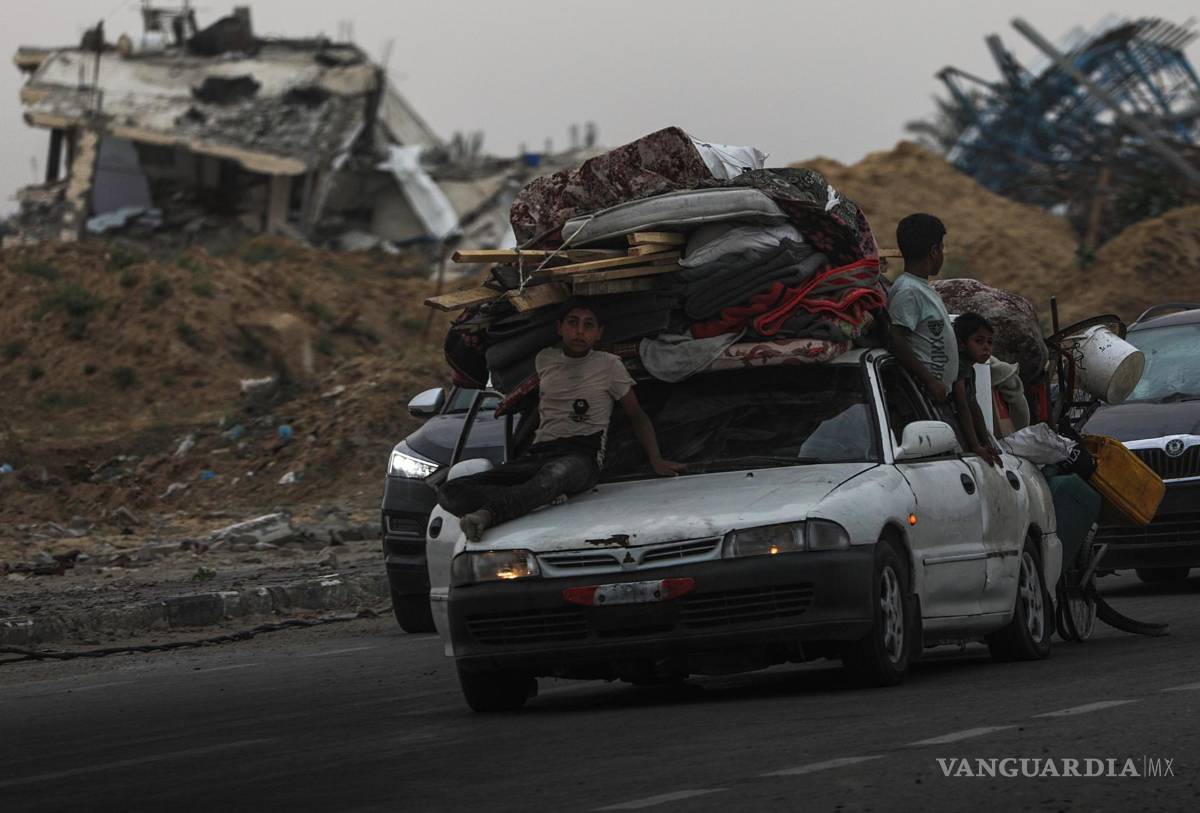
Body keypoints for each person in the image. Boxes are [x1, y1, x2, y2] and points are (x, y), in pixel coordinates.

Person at [439, 297, 686, 541]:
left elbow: (637, 415)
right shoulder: (544, 359)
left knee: (555, 475)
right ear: (559, 328)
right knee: (450, 491)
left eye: (588, 325)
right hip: (538, 454)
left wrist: (656, 460)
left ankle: (488, 515)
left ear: (599, 333)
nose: (579, 331)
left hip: (582, 457)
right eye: (573, 322)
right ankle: (535, 497)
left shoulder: (610, 365)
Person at [887, 213, 957, 404]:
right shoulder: (909, 291)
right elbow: (896, 339)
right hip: (922, 397)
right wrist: (930, 381)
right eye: (942, 248)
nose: (942, 253)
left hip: (935, 397)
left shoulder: (920, 288)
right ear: (934, 251)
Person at [952, 312, 1001, 466]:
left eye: (990, 342)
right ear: (961, 344)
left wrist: (986, 443)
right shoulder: (958, 366)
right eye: (979, 341)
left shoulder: (970, 370)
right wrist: (975, 446)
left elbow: (973, 405)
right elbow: (962, 406)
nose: (986, 347)